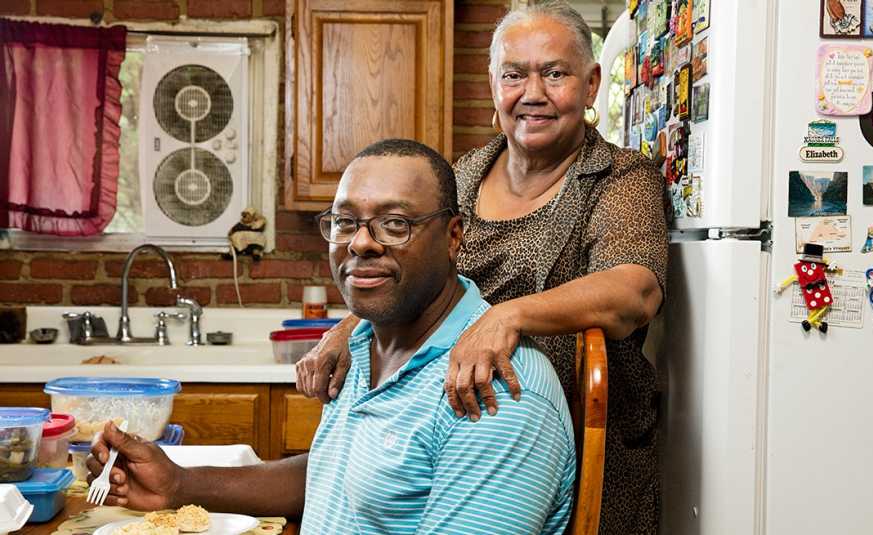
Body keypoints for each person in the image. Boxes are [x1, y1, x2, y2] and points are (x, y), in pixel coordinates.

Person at [297, 2, 668, 533]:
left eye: (555, 74)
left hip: (565, 444)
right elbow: (419, 275)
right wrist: (349, 329)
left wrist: (506, 317)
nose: (533, 93)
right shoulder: (464, 174)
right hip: (456, 421)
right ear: (494, 85)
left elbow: (634, 292)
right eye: (514, 75)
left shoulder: (620, 177)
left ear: (591, 87)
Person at [87, 140, 576, 534]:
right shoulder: (363, 344)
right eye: (344, 222)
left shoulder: (498, 390)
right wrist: (178, 482)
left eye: (395, 224)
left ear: (452, 237)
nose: (361, 242)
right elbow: (337, 477)